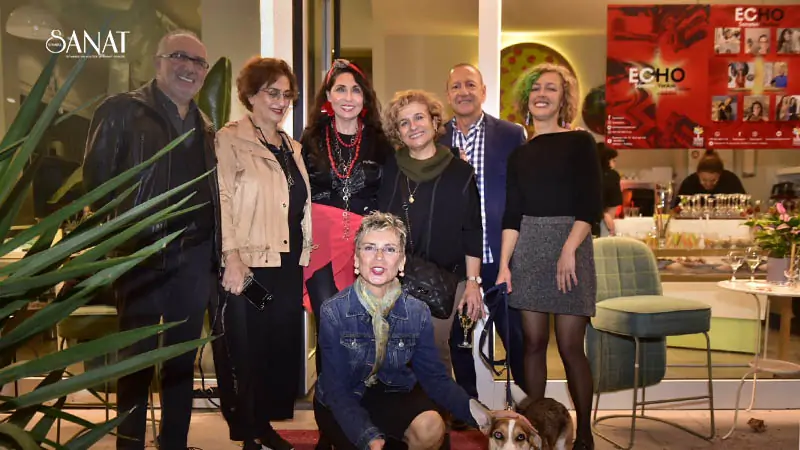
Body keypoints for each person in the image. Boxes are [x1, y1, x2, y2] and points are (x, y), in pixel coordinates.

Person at [83, 30, 218, 450]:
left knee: (180, 361)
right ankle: (130, 445)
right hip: (139, 256)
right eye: (179, 57)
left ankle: (173, 442)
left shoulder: (205, 125)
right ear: (158, 62)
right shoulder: (122, 110)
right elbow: (96, 184)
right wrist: (118, 239)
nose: (189, 68)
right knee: (135, 359)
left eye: (198, 62)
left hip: (193, 258)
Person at [313, 212, 524, 450]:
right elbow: (337, 391)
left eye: (390, 249)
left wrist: (487, 417)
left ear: (402, 262)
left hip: (393, 392)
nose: (379, 257)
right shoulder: (333, 311)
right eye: (369, 248)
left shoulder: (416, 311)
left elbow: (436, 379)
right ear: (356, 258)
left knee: (431, 426)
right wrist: (368, 437)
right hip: (343, 400)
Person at [496, 63, 603, 450]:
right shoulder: (519, 154)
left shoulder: (580, 143)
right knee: (534, 343)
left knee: (572, 347)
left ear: (564, 99)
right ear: (527, 99)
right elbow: (512, 215)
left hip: (571, 246)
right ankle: (535, 429)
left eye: (551, 88)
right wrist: (505, 264)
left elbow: (590, 205)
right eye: (536, 88)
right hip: (529, 249)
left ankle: (585, 433)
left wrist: (568, 250)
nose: (542, 94)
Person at [213, 57, 312, 450]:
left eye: (287, 95)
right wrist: (231, 257)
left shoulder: (292, 146)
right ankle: (248, 434)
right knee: (247, 348)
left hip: (286, 264)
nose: (281, 101)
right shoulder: (230, 139)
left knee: (274, 345)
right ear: (251, 95)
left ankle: (264, 425)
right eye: (273, 92)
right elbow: (222, 199)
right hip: (251, 266)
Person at [437, 63, 527, 409]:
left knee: (515, 338)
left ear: (484, 92)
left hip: (501, 260)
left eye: (470, 85)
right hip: (457, 263)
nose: (463, 92)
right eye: (456, 86)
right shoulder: (436, 138)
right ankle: (467, 409)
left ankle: (526, 410)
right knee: (458, 340)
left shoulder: (510, 135)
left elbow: (520, 196)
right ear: (448, 95)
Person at [378, 90, 484, 379]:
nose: (413, 127)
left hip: (445, 282)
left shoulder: (460, 172)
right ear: (397, 132)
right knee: (394, 356)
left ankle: (438, 409)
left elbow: (472, 229)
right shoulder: (390, 169)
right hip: (395, 279)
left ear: (435, 122)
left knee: (435, 355)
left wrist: (473, 283)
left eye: (419, 118)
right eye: (404, 122)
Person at [300, 58, 393, 358]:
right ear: (328, 95)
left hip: (366, 244)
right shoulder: (310, 138)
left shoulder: (380, 141)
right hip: (320, 245)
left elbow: (391, 194)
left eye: (356, 90)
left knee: (361, 329)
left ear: (365, 97)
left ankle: (358, 389)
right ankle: (328, 389)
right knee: (330, 325)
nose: (348, 97)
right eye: (340, 89)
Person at [673, 150, 746, 206]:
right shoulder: (689, 183)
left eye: (713, 180)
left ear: (720, 175)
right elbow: (679, 205)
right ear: (698, 174)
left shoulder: (731, 181)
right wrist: (684, 204)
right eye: (704, 180)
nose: (708, 184)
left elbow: (744, 205)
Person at [596, 143, 622, 237]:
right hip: (602, 224)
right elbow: (613, 204)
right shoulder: (612, 176)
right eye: (613, 160)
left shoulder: (581, 175)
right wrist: (606, 215)